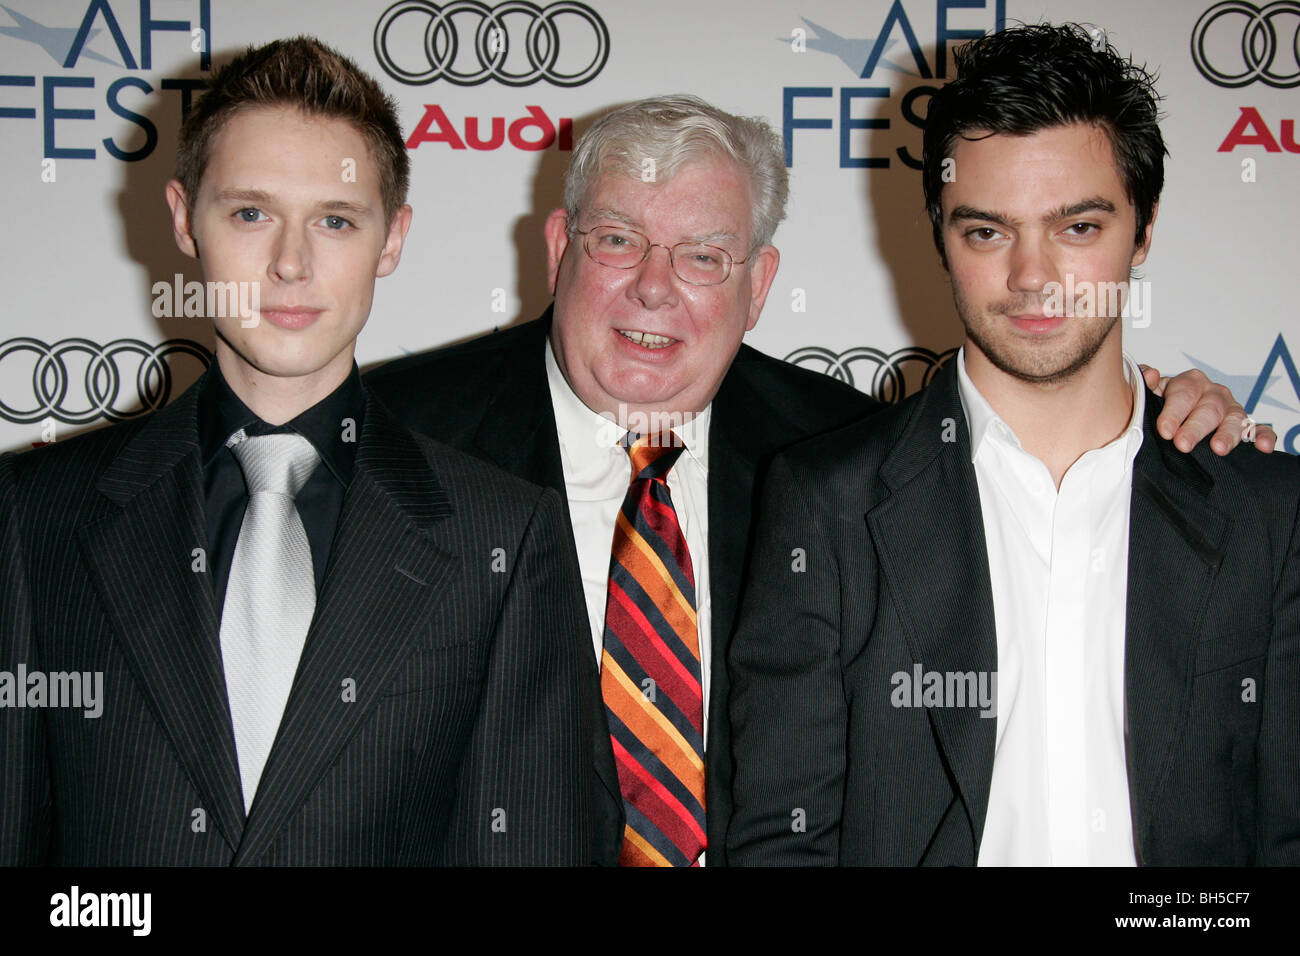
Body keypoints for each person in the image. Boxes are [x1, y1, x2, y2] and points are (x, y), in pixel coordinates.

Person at [366, 92, 1265, 866]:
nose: (653, 287)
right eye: (616, 239)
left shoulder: (852, 460)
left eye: (706, 255)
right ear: (560, 247)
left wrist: (1172, 428)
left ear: (760, 286)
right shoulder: (394, 444)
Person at [0, 36, 591, 866]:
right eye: (250, 213)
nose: (290, 264)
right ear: (182, 219)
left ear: (392, 239)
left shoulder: (503, 534)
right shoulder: (33, 515)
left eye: (336, 221)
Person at [726, 23, 1299, 866]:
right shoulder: (827, 504)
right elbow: (782, 842)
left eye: (1077, 228)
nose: (1032, 277)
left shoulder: (1267, 511)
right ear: (940, 241)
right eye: (987, 232)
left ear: (1142, 233)